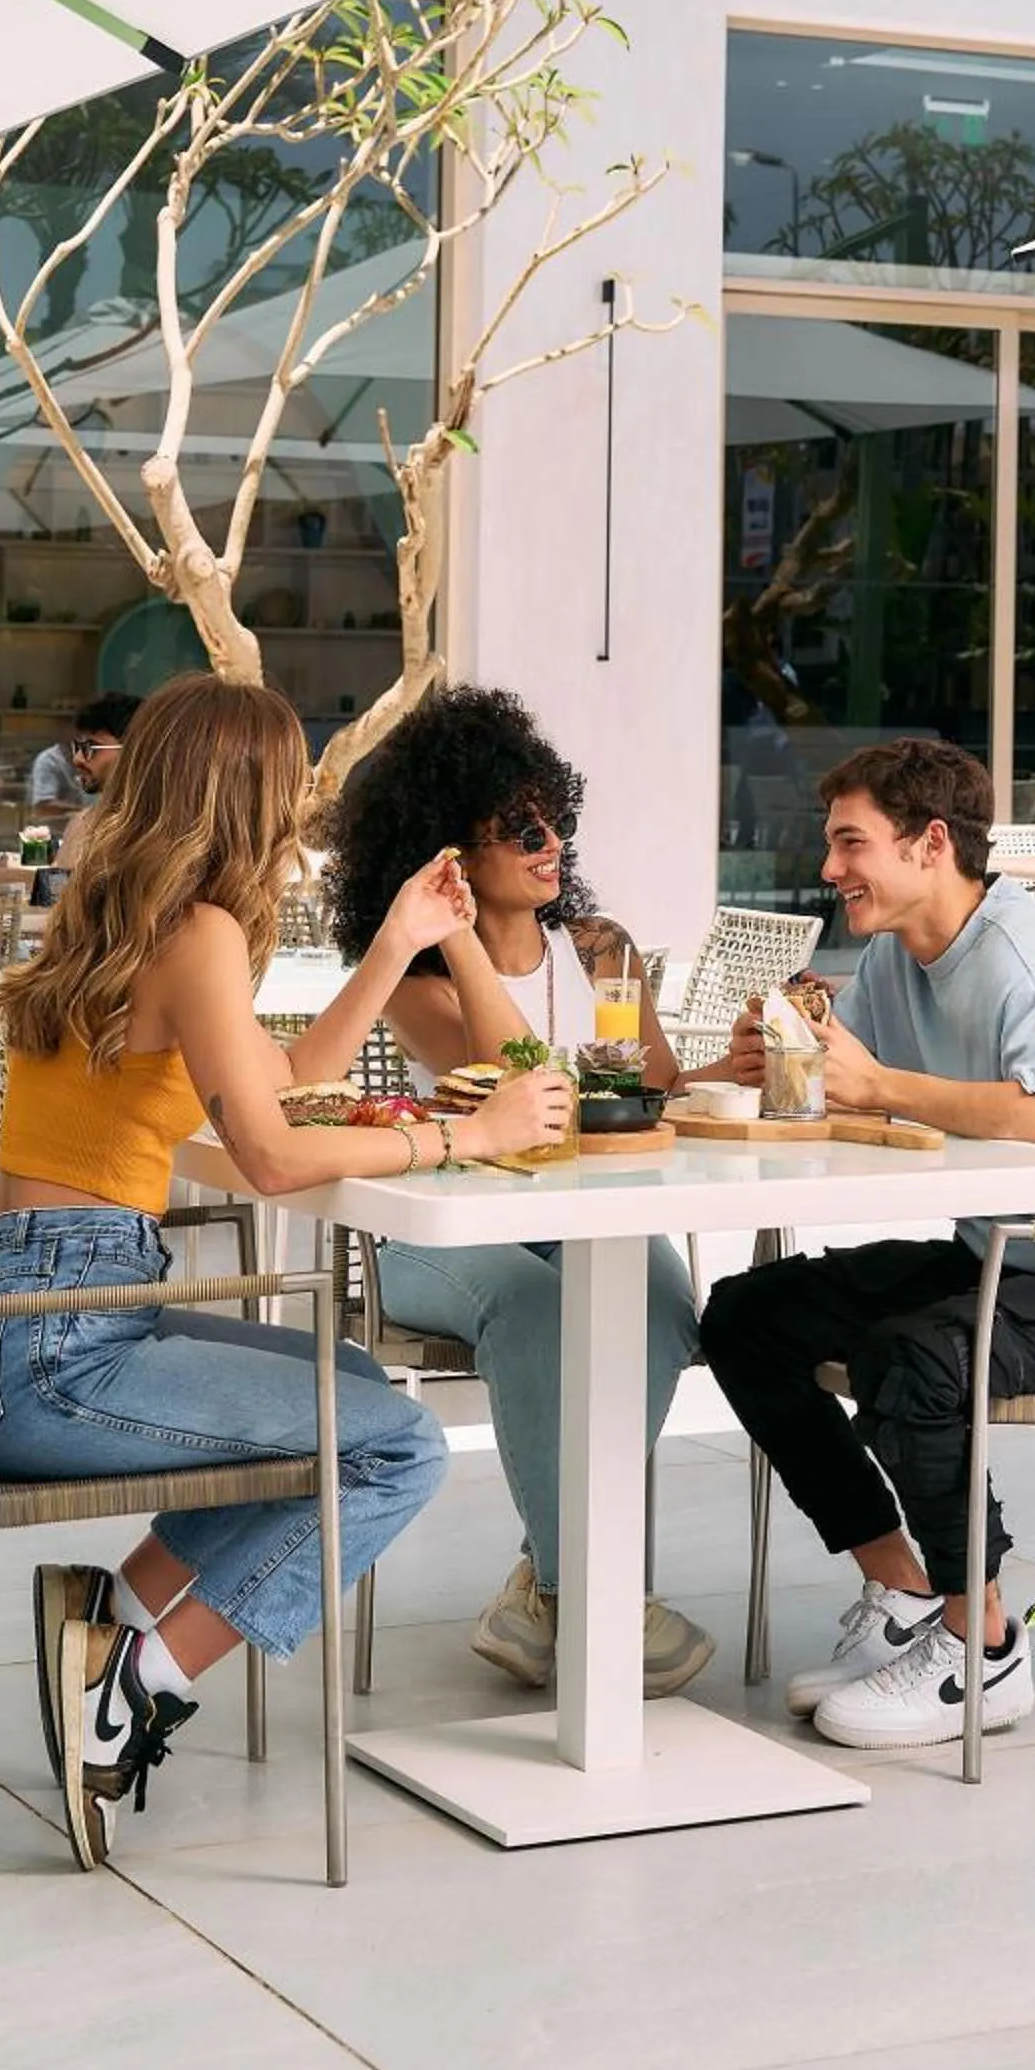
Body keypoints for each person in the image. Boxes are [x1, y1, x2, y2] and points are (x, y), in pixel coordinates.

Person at [0, 671, 569, 1872]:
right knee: (393, 1443)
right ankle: (134, 1682)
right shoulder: (201, 930)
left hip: (11, 1321)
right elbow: (271, 1154)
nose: (307, 801)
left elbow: (279, 1095)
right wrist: (462, 1136)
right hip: (60, 1341)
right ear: (247, 788)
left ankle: (106, 1619)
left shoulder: (119, 909)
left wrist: (390, 949)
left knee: (344, 1383)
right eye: (294, 776)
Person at [699, 737, 1035, 1754]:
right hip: (1002, 1259)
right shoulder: (898, 955)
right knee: (748, 1316)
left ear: (930, 844)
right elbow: (863, 1081)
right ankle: (902, 1590)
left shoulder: (1030, 958)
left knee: (917, 1358)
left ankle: (981, 1646)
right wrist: (778, 1059)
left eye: (850, 844)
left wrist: (875, 1086)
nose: (828, 868)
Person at [323, 685, 717, 1699]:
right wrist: (453, 931)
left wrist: (736, 1070)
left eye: (553, 816)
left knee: (664, 1305)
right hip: (430, 1227)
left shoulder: (599, 950)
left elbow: (654, 1089)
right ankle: (594, 1592)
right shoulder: (422, 976)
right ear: (448, 850)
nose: (550, 840)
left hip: (584, 1214)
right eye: (518, 823)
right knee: (540, 1309)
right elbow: (513, 1081)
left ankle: (545, 1586)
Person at [54, 693, 143, 867]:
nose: (78, 759)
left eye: (91, 748)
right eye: (78, 747)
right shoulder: (81, 823)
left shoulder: (156, 829)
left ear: (133, 750)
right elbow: (57, 887)